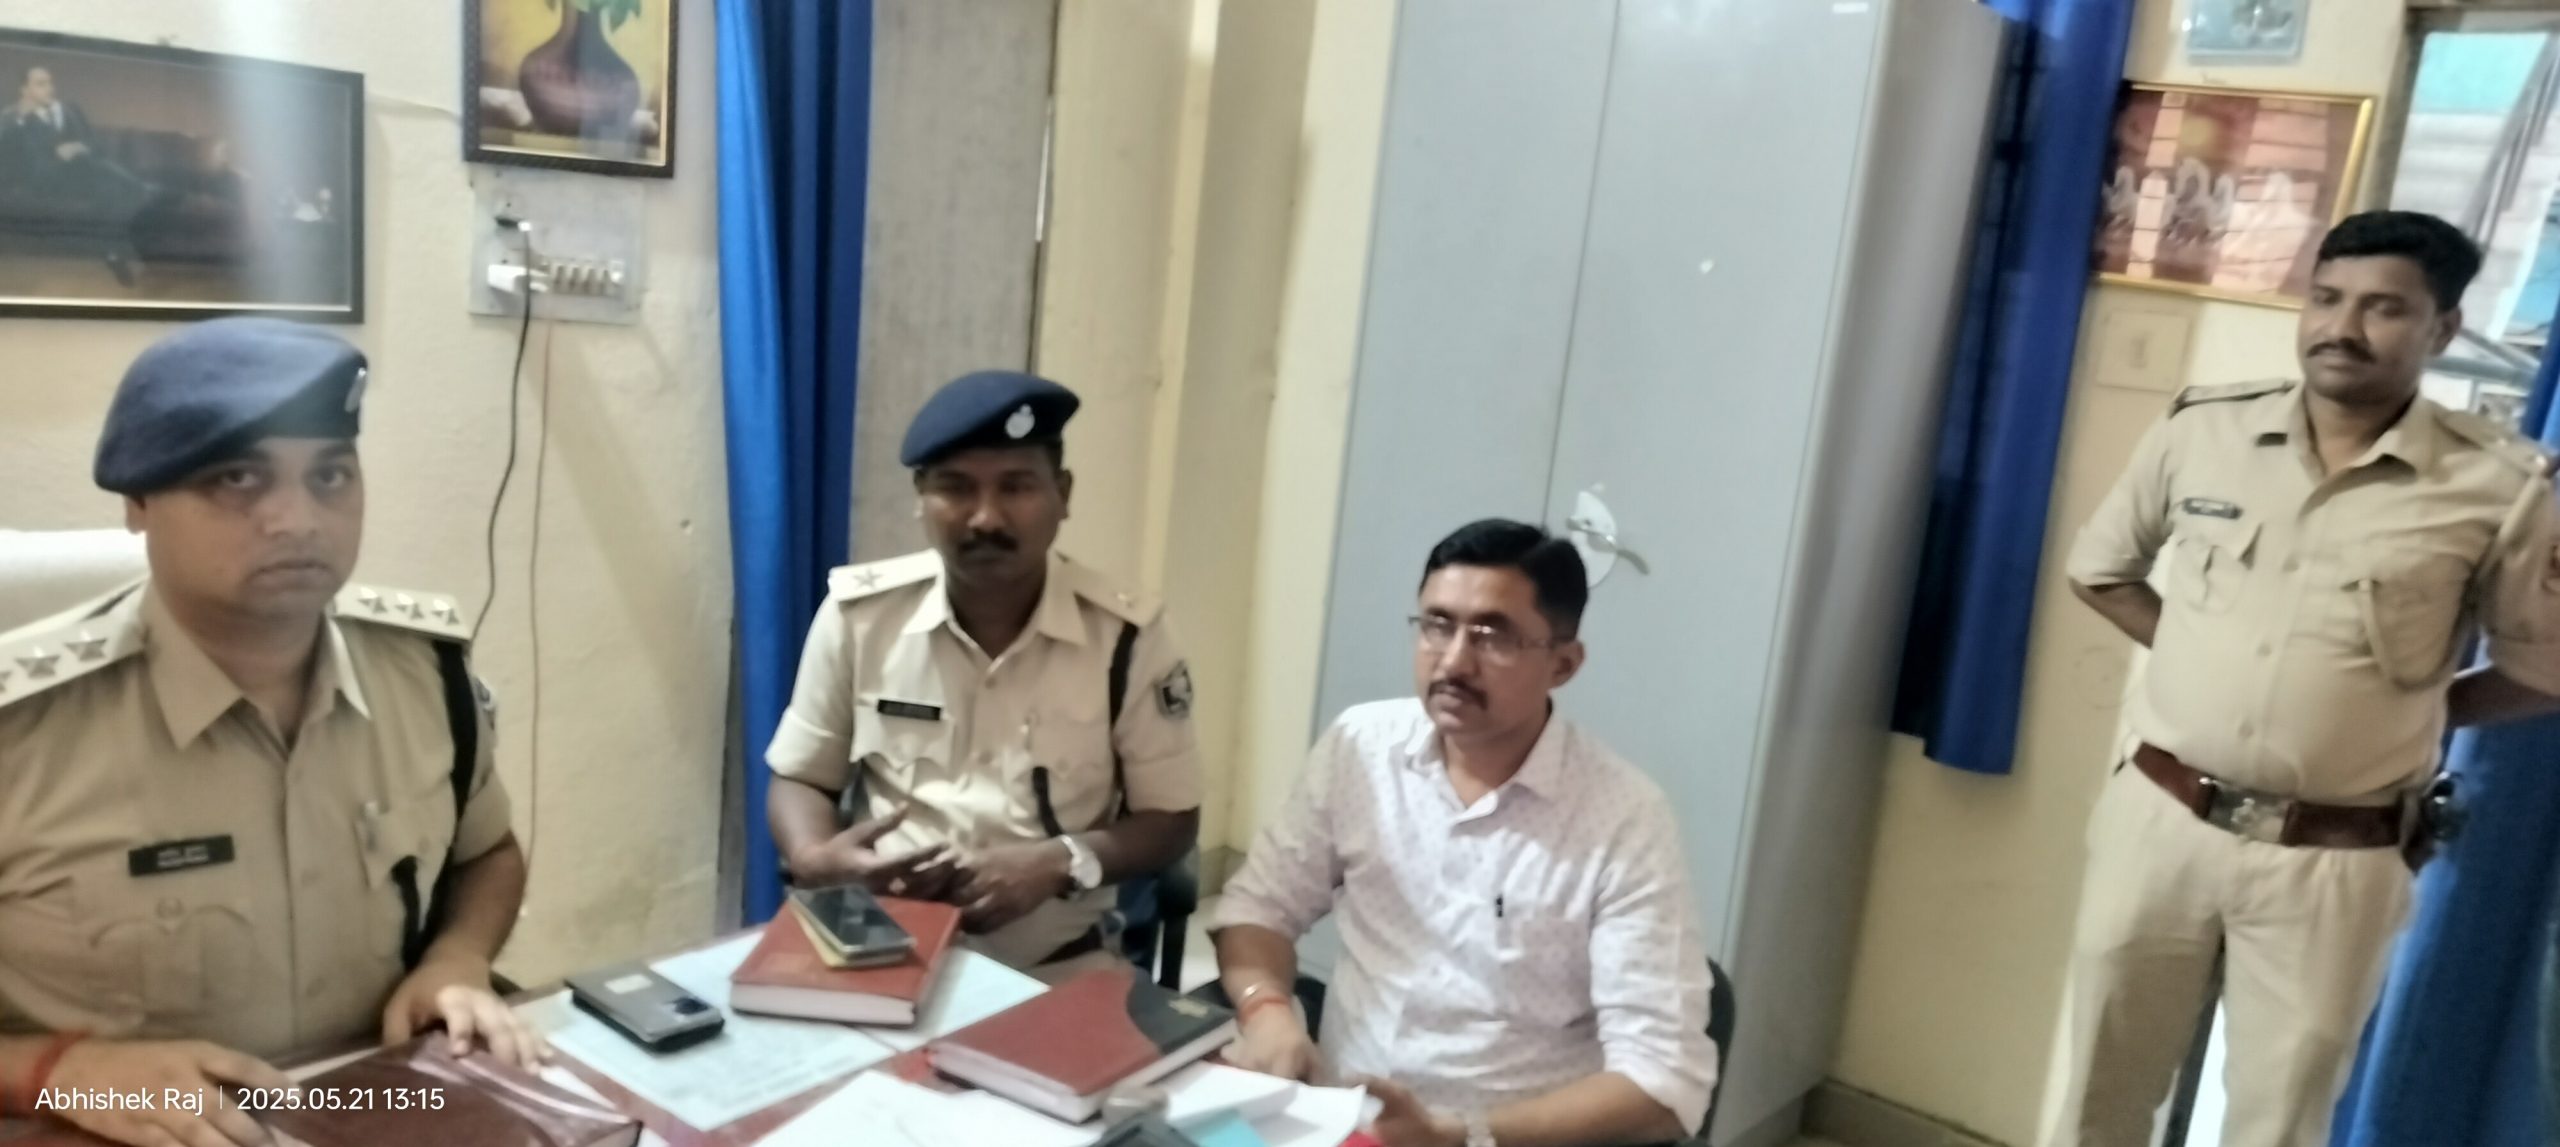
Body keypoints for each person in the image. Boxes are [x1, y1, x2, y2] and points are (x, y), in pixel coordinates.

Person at [2052, 210, 2560, 1147]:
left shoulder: (2500, 485)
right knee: (2098, 1094)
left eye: (2383, 308)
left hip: (2336, 857)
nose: (2343, 328)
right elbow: (2100, 571)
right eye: (2327, 298)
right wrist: (2198, 656)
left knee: (2281, 1118)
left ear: (2443, 327)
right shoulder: (2205, 431)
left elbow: (2545, 670)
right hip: (2161, 821)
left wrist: (2413, 710)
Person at [0, 318, 546, 1147]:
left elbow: (487, 853)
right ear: (138, 504)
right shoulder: (20, 730)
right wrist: (55, 1069)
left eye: (330, 474)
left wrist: (458, 959)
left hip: (377, 1113)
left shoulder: (428, 680)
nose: (297, 519)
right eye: (236, 477)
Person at [1214, 519, 1716, 1147]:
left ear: (1563, 664)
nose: (1453, 661)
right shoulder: (1361, 747)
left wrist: (1460, 1135)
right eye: (1437, 624)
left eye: (1493, 636)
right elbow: (1260, 906)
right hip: (1342, 1122)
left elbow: (1664, 1079)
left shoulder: (1625, 818)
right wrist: (1266, 1011)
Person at [764, 369, 1202, 978]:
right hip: (878, 950)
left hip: (1057, 964)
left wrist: (1058, 862)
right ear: (921, 496)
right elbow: (801, 777)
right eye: (956, 488)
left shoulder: (1127, 637)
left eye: (1017, 487)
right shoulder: (860, 617)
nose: (986, 518)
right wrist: (814, 856)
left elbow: (1172, 819)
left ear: (1063, 495)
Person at [0, 65, 153, 284]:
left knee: (110, 188)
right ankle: (139, 189)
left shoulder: (70, 109)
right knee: (122, 186)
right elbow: (10, 155)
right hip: (48, 179)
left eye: (50, 83)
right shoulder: (13, 117)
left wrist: (78, 147)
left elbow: (96, 145)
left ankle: (113, 253)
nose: (50, 89)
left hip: (84, 173)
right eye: (41, 84)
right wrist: (22, 120)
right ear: (24, 90)